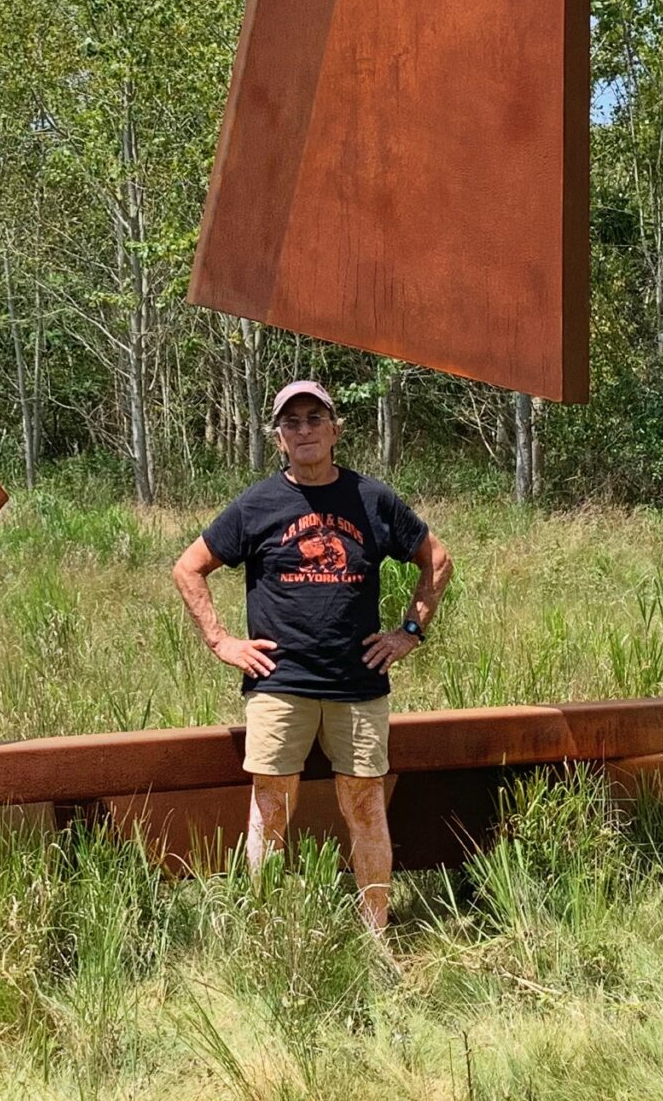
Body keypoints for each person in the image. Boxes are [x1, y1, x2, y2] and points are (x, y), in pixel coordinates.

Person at [171, 379, 453, 935]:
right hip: (280, 682)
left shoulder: (372, 499)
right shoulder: (258, 503)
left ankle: (376, 934)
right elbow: (189, 567)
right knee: (270, 809)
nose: (303, 430)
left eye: (313, 418)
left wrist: (409, 632)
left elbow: (436, 559)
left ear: (335, 430)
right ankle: (266, 936)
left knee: (366, 806)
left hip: (357, 683)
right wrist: (221, 641)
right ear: (279, 438)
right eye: (291, 422)